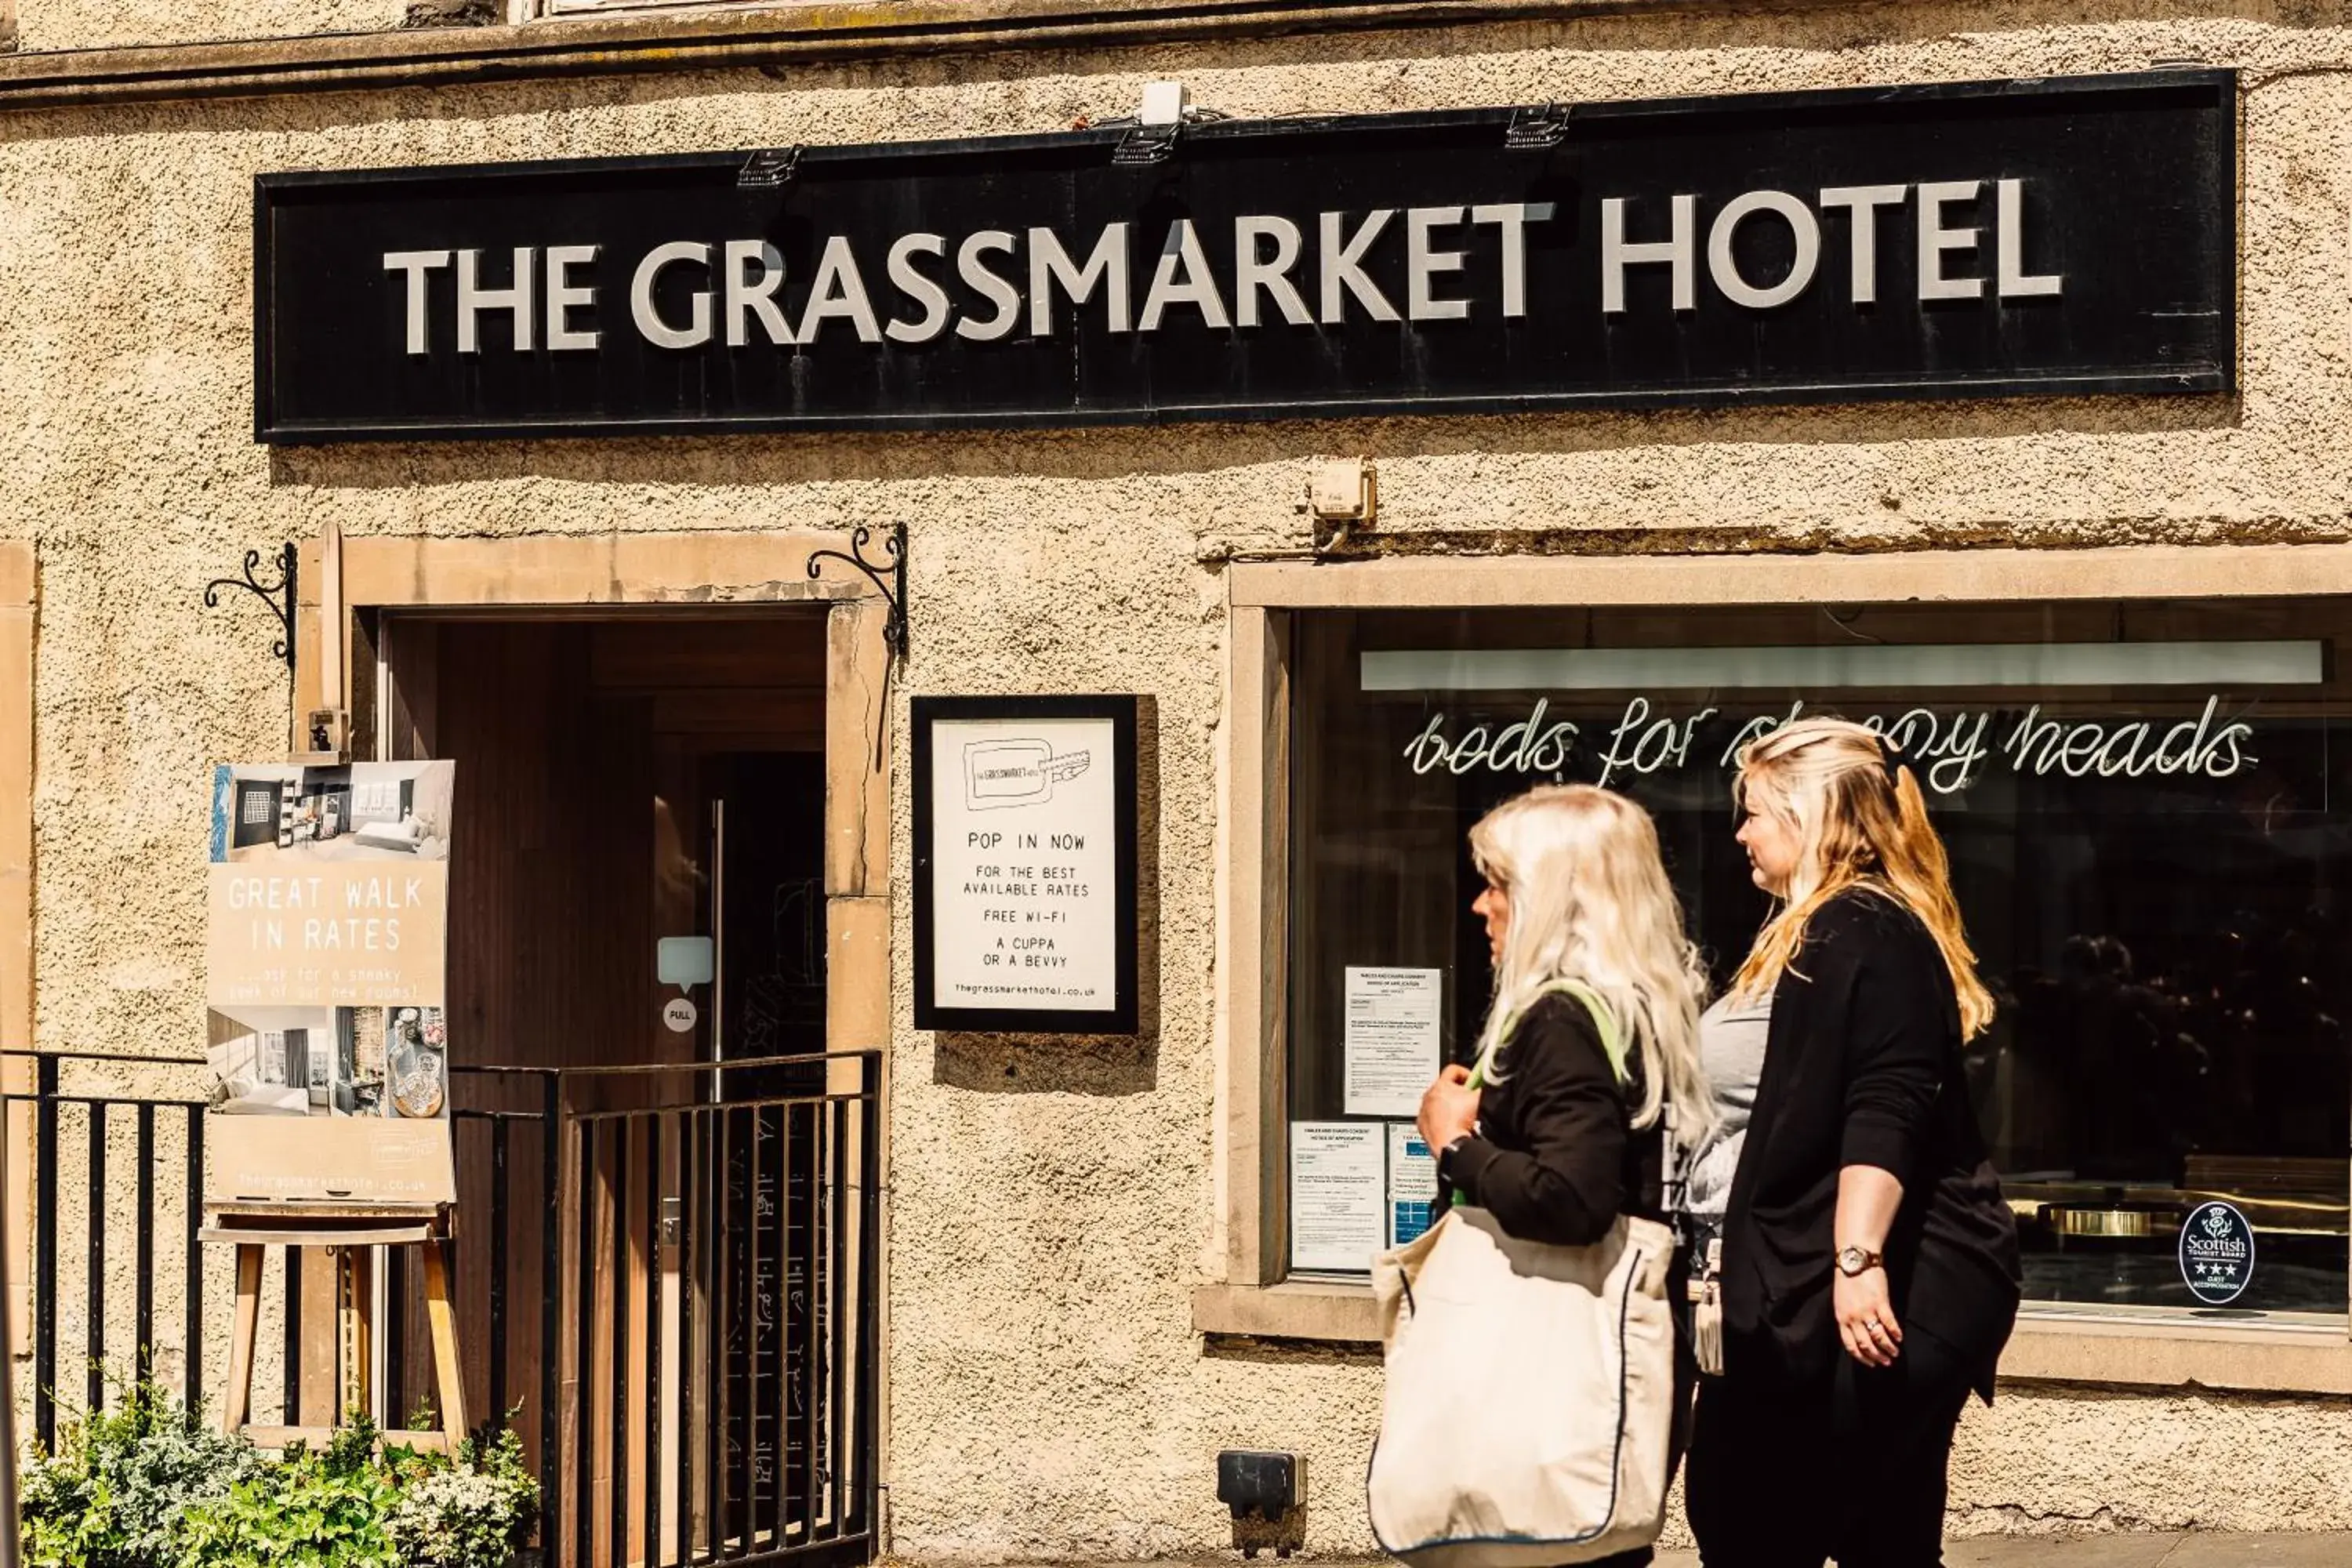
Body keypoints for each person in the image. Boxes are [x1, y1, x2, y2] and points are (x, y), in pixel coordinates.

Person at [1685, 719, 2022, 1568]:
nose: (1741, 833)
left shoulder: (1860, 925)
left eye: (1754, 811)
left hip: (1890, 1283)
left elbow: (1887, 1101)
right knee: (1884, 1541)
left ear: (1809, 815)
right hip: (1834, 1287)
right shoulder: (1828, 928)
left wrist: (1856, 1259)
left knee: (1754, 1520)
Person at [1416, 782, 1714, 1568]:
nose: (1480, 905)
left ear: (1555, 895)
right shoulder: (1634, 1010)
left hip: (1550, 1364)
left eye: (1500, 883)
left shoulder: (1562, 1019)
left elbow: (1572, 1198)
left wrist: (1455, 1144)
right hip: (1598, 1356)